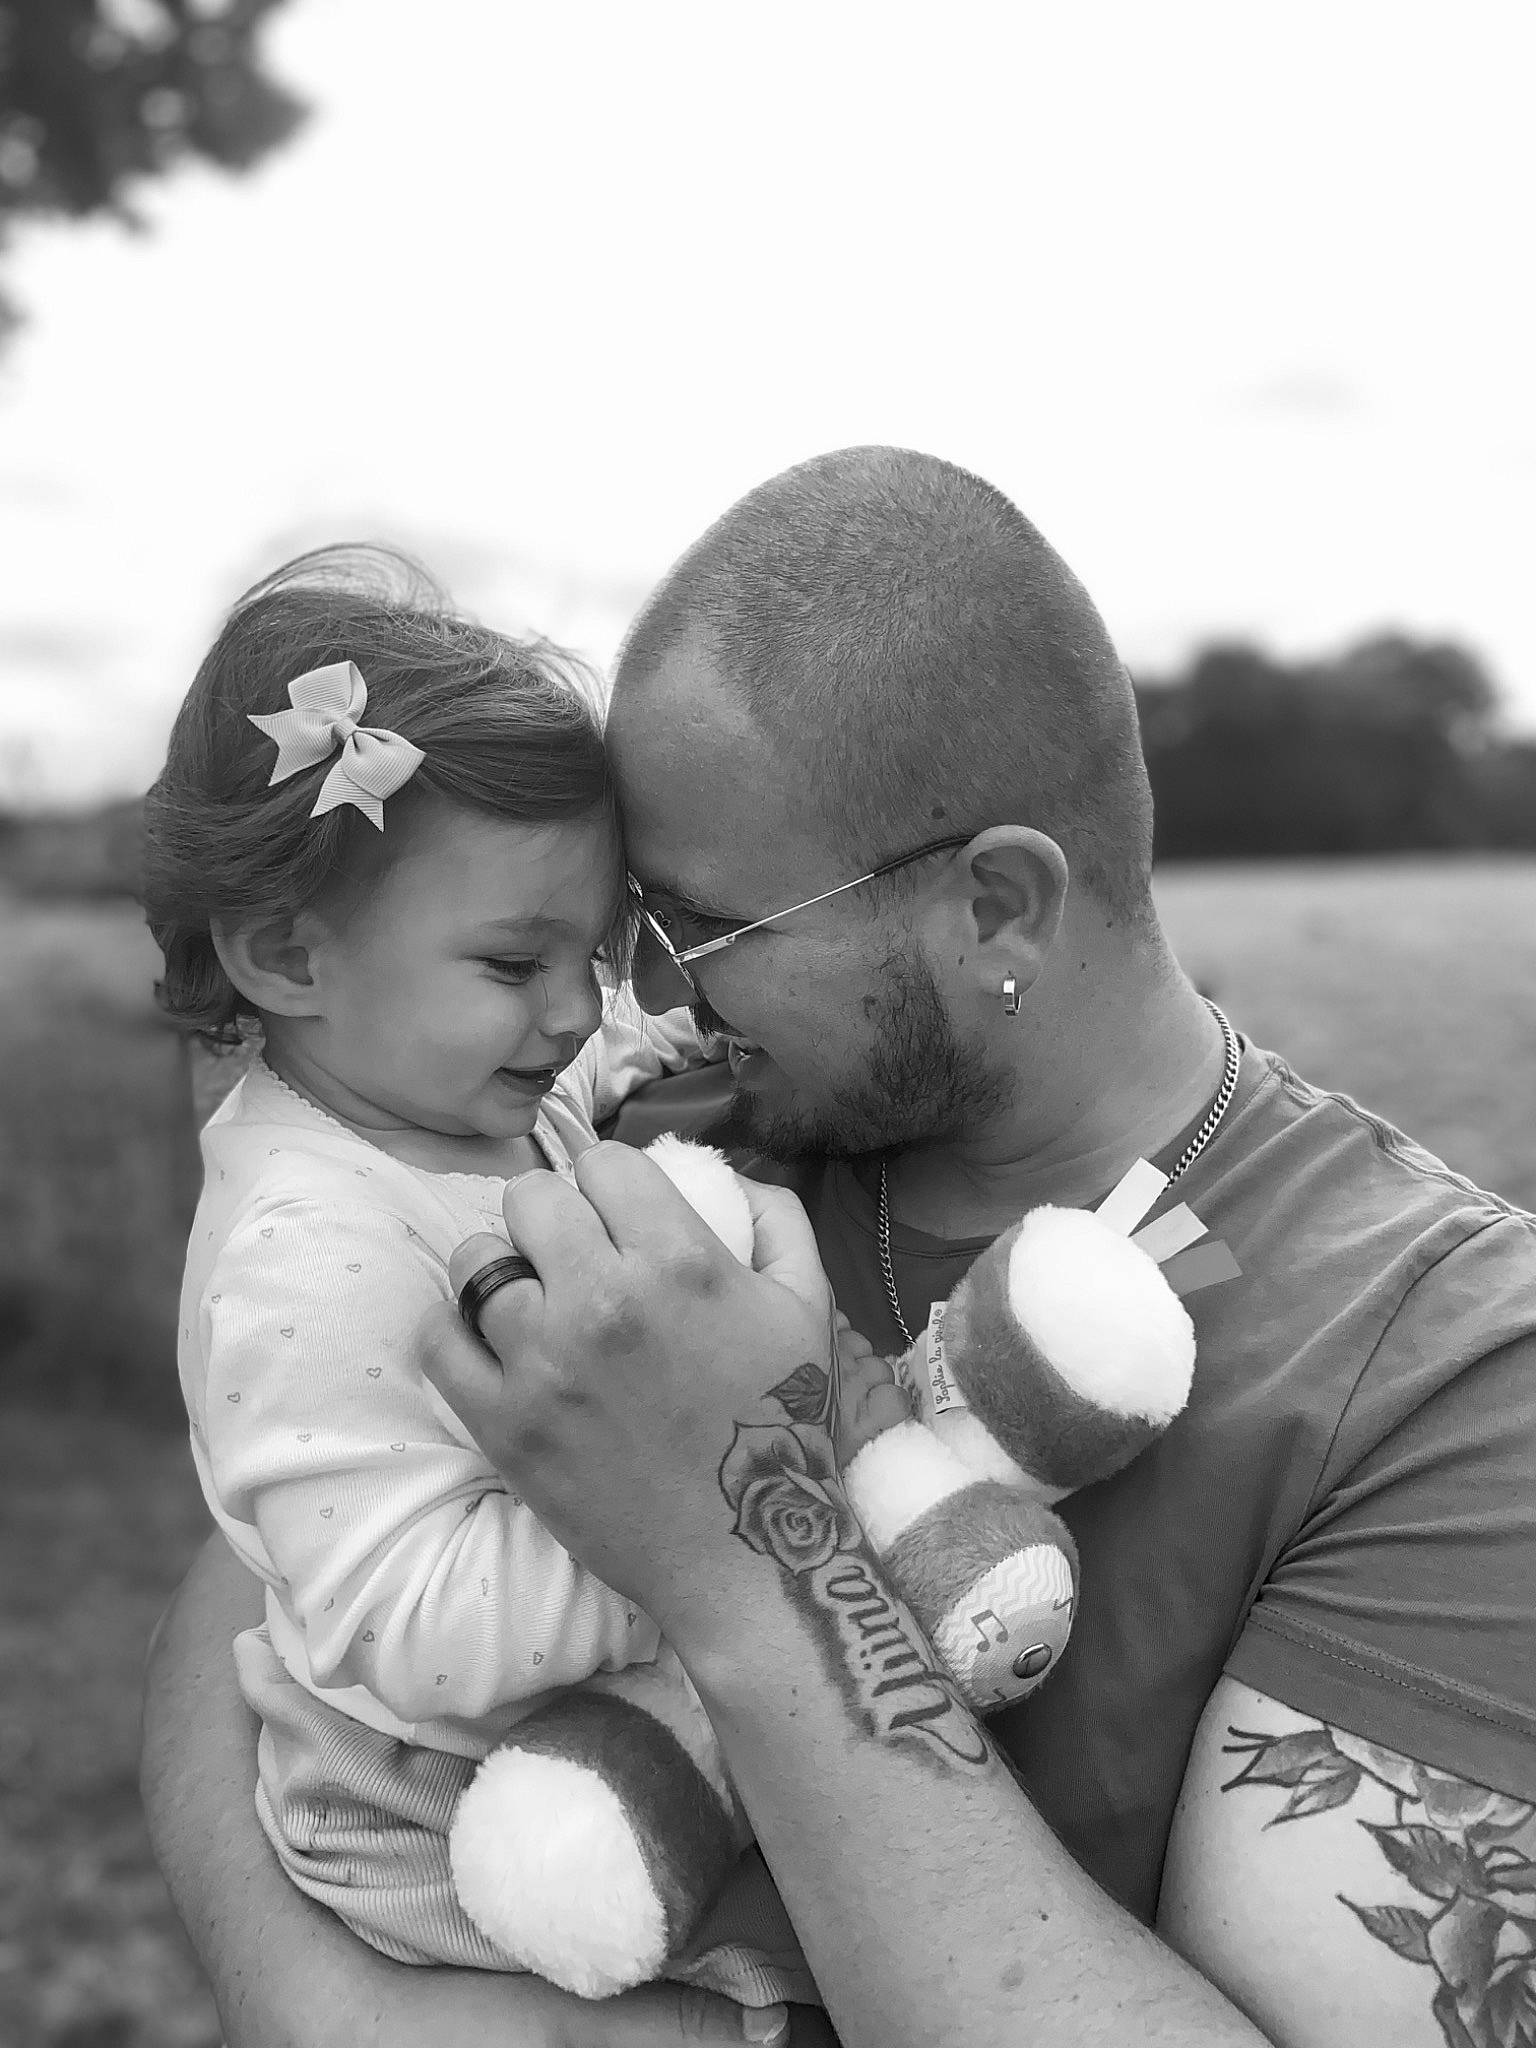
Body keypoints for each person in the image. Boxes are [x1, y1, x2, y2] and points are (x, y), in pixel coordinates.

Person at [142, 452, 1536, 2048]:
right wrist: (317, 2003)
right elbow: (277, 1547)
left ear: (997, 906)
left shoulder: (1463, 1390)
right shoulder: (649, 1128)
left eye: (685, 928)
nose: (628, 1001)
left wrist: (743, 1557)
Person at [138, 547, 822, 2023]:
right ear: (281, 953)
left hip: (545, 1709)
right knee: (795, 1988)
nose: (576, 1007)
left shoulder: (434, 1078)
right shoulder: (308, 1253)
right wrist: (705, 1525)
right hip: (431, 1794)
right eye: (521, 961)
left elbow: (575, 1065)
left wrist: (645, 1064)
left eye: (597, 949)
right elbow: (408, 1613)